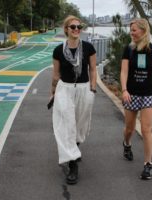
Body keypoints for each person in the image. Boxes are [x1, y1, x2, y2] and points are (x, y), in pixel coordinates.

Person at [50, 15, 97, 185]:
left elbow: (93, 69)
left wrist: (93, 88)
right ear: (66, 30)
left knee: (80, 125)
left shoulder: (89, 47)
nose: (77, 29)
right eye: (73, 27)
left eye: (79, 26)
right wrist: (53, 92)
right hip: (65, 90)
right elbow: (56, 75)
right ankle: (72, 165)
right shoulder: (58, 50)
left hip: (84, 89)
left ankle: (75, 149)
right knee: (67, 125)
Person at [120, 18, 152, 180]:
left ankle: (148, 165)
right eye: (131, 30)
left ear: (143, 31)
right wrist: (124, 90)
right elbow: (124, 72)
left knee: (146, 130)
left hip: (149, 94)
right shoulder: (129, 49)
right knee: (129, 129)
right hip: (131, 94)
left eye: (134, 30)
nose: (131, 33)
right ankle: (126, 144)